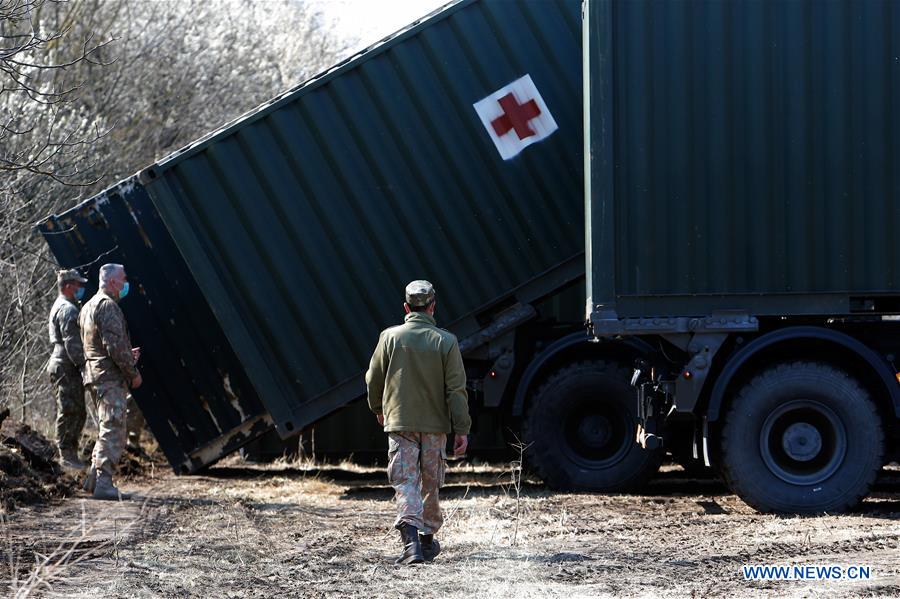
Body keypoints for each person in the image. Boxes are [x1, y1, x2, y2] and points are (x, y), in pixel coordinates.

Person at [366, 280, 471, 565]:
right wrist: (462, 428)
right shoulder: (446, 341)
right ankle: (425, 542)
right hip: (435, 426)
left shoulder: (390, 337)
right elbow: (456, 390)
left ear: (406, 307)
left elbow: (373, 378)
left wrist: (379, 407)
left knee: (405, 482)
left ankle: (411, 545)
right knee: (430, 482)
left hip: (400, 424)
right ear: (433, 306)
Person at [79, 263, 142, 500]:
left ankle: (92, 481)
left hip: (95, 375)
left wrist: (126, 351)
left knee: (106, 426)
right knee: (113, 428)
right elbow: (114, 347)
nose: (126, 283)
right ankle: (104, 484)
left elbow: (97, 344)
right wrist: (133, 373)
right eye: (123, 279)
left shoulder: (87, 307)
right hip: (108, 377)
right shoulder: (108, 306)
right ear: (113, 282)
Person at [47, 269, 88, 470]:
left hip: (64, 364)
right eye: (78, 285)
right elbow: (73, 344)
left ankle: (71, 453)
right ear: (68, 286)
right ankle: (66, 455)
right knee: (70, 409)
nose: (81, 288)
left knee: (78, 410)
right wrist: (83, 366)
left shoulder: (66, 306)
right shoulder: (67, 310)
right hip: (66, 365)